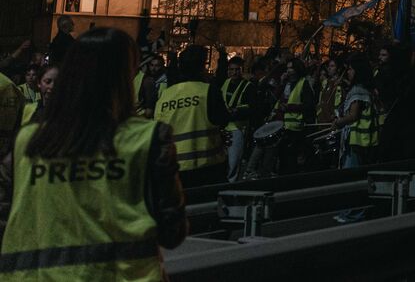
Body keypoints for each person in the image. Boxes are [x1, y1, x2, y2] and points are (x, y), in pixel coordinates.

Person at [0, 27, 186, 279]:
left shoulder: (29, 140)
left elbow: (8, 216)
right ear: (125, 76)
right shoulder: (147, 139)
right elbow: (172, 232)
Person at [154, 45, 231, 188]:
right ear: (202, 67)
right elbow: (223, 120)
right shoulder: (208, 91)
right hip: (207, 168)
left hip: (173, 168)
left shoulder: (166, 95)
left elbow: (158, 129)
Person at [331, 58, 377, 224]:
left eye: (350, 69)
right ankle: (348, 211)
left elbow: (353, 115)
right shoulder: (364, 89)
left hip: (356, 140)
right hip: (359, 140)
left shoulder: (358, 90)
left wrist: (338, 122)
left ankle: (354, 214)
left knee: (352, 177)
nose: (348, 72)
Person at [221, 55, 255, 181]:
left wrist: (236, 111)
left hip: (238, 128)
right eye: (232, 69)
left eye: (237, 70)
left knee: (233, 161)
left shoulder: (248, 86)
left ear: (242, 70)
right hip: (224, 127)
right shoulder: (225, 83)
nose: (234, 72)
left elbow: (251, 107)